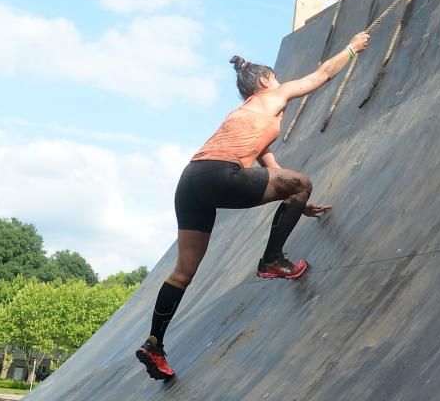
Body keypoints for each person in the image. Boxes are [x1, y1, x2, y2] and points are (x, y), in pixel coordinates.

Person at [135, 31, 370, 381]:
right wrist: (352, 48)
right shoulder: (272, 95)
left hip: (190, 181)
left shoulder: (242, 114)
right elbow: (320, 76)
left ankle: (154, 344)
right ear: (264, 81)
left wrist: (297, 203)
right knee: (303, 181)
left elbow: (274, 173)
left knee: (183, 272)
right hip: (218, 174)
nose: (280, 83)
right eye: (275, 77)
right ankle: (272, 260)